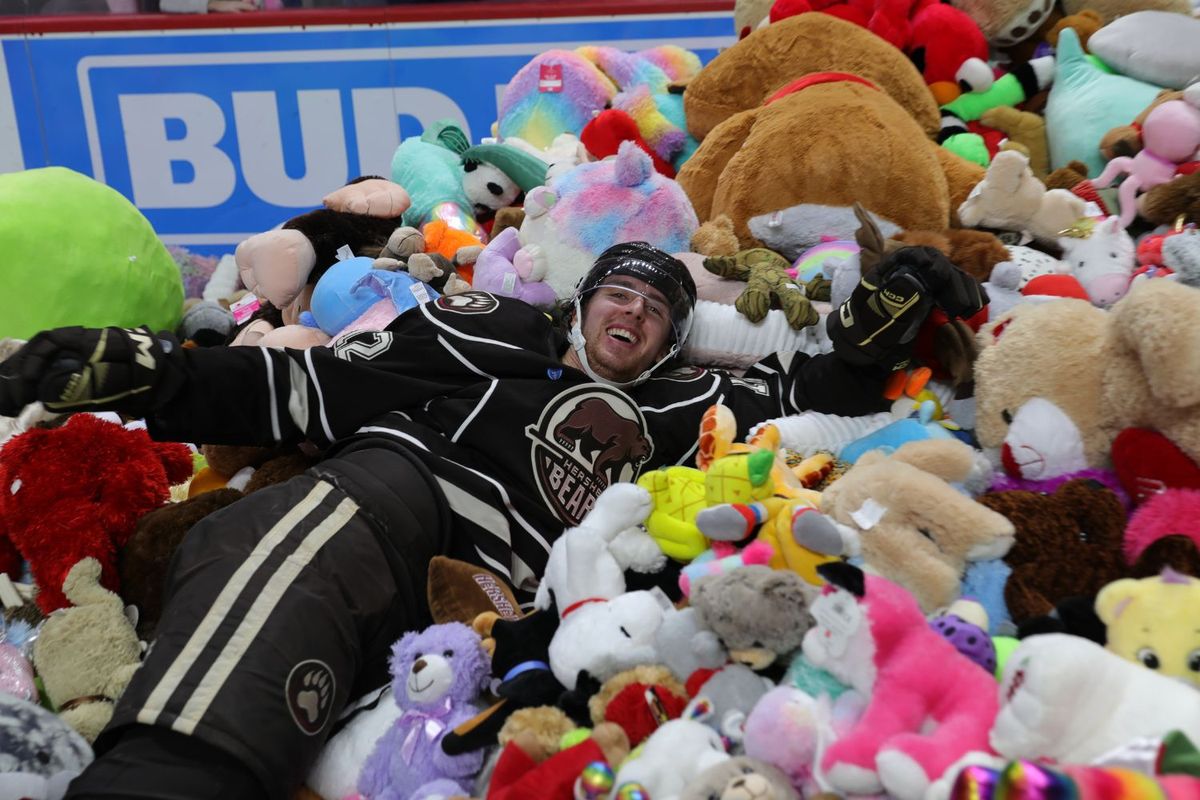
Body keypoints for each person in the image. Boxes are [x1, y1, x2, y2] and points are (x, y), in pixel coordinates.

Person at [0, 241, 983, 800]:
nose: (631, 314)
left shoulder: (695, 407)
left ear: (678, 336)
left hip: (508, 612)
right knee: (276, 545)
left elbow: (820, 394)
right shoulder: (496, 331)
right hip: (405, 500)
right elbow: (316, 383)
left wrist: (874, 330)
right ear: (584, 301)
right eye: (619, 292)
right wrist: (156, 375)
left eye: (656, 306)